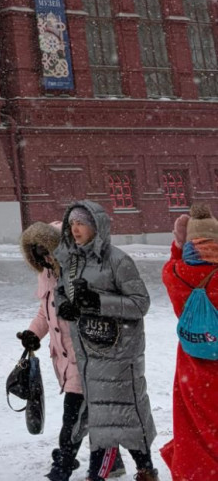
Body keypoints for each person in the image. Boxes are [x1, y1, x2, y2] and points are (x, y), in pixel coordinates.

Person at [55, 201, 158, 481]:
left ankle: (106, 473)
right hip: (89, 351)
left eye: (82, 224)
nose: (75, 230)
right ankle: (143, 470)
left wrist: (99, 302)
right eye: (72, 224)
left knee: (122, 414)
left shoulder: (118, 260)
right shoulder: (71, 261)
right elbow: (61, 291)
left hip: (119, 353)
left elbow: (140, 304)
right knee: (106, 416)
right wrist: (65, 305)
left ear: (96, 227)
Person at [18, 222, 127, 481]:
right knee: (90, 414)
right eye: (38, 254)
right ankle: (113, 464)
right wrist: (34, 333)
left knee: (73, 415)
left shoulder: (86, 272)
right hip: (65, 357)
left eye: (48, 252)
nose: (45, 258)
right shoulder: (46, 273)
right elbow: (46, 311)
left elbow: (109, 310)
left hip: (90, 355)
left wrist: (79, 312)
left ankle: (62, 468)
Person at [160, 202, 218, 481]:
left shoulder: (175, 275)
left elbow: (171, 263)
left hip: (191, 365)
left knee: (192, 426)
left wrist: (178, 245)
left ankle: (197, 471)